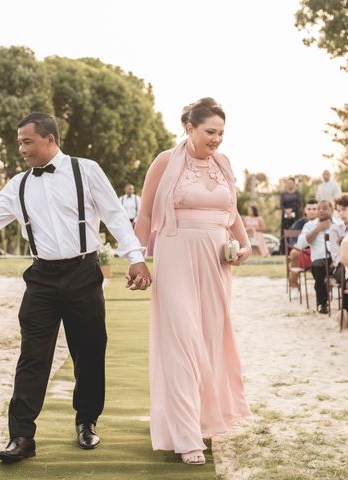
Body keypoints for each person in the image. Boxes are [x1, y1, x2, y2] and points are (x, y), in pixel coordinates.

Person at [0, 112, 151, 463]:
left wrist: (135, 257)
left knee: (88, 350)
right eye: (19, 142)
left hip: (84, 272)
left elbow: (115, 215)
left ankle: (86, 421)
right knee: (32, 357)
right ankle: (21, 436)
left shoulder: (87, 170)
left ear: (50, 139)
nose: (21, 149)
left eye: (27, 141)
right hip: (41, 278)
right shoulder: (18, 184)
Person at [134, 98, 251, 465]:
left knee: (211, 340)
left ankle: (203, 419)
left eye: (221, 133)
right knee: (182, 341)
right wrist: (137, 259)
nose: (216, 139)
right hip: (176, 256)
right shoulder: (166, 161)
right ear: (190, 128)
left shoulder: (224, 164)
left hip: (218, 263)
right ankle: (186, 438)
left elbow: (230, 213)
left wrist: (244, 245)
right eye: (210, 132)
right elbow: (146, 212)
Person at [296, 200, 335, 313]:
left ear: (332, 210)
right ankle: (322, 304)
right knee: (317, 267)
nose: (321, 211)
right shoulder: (309, 225)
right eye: (319, 209)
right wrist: (318, 228)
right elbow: (301, 244)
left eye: (325, 208)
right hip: (319, 261)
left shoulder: (339, 223)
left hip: (337, 258)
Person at [288, 199, 319, 299]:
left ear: (319, 210)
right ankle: (294, 287)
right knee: (294, 253)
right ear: (305, 210)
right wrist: (299, 247)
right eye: (309, 209)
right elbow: (292, 240)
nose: (312, 211)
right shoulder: (299, 223)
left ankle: (332, 286)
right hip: (303, 252)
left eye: (314, 209)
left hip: (320, 252)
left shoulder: (323, 222)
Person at [279, 177, 302, 253]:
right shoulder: (283, 194)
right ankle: (284, 250)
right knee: (285, 231)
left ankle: (295, 248)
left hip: (295, 216)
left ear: (294, 184)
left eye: (291, 183)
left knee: (295, 230)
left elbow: (299, 205)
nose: (290, 184)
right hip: (285, 216)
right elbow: (281, 205)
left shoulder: (297, 194)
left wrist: (292, 209)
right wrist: (286, 210)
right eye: (288, 183)